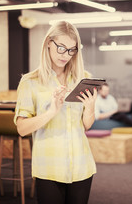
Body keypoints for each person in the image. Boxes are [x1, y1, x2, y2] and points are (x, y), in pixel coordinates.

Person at [14, 21, 97, 204]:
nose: (65, 55)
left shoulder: (84, 78)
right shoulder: (30, 82)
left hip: (82, 165)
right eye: (61, 47)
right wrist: (51, 111)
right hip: (49, 166)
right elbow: (21, 128)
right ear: (48, 43)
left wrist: (90, 107)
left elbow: (86, 125)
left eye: (71, 50)